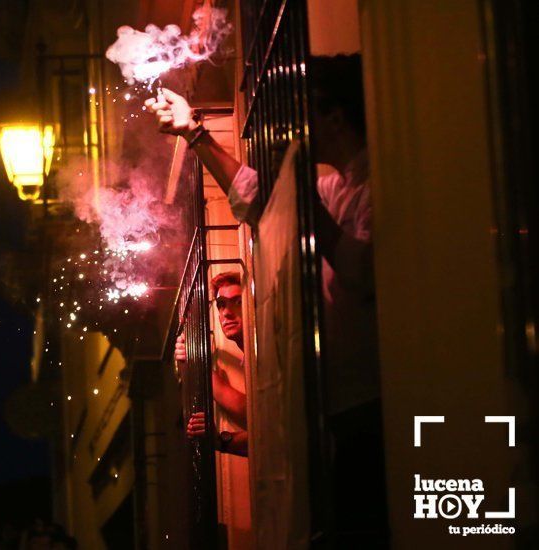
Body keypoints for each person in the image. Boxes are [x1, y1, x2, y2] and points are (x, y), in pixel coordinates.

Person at [149, 55, 387, 544]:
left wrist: (302, 201)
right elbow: (256, 197)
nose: (297, 124)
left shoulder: (377, 186)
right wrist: (194, 133)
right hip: (341, 406)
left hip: (377, 405)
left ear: (336, 118)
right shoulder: (335, 186)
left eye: (308, 110)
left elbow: (362, 271)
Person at [176, 271, 249, 457]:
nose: (226, 312)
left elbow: (256, 412)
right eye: (221, 305)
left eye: (238, 302)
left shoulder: (265, 348)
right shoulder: (248, 356)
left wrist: (200, 366)